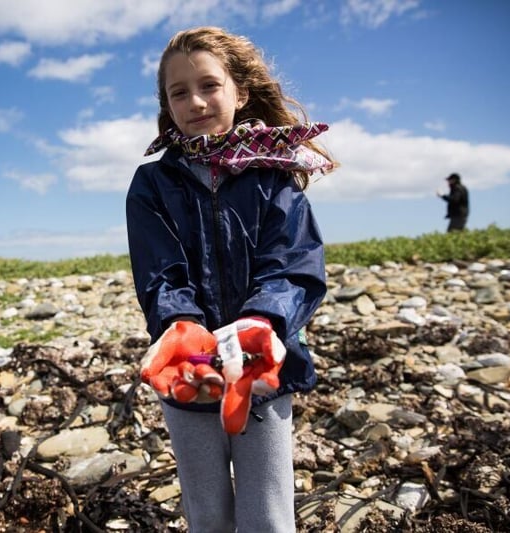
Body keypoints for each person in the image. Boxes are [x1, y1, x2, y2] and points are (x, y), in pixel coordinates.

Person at [126, 26, 335, 532]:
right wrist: (180, 326)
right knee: (207, 512)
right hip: (189, 370)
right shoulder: (152, 184)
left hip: (263, 366)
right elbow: (160, 272)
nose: (195, 101)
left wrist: (263, 322)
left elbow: (293, 263)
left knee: (268, 513)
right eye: (179, 92)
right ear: (166, 104)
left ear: (240, 92)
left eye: (209, 85)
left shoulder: (274, 178)